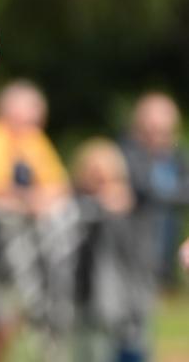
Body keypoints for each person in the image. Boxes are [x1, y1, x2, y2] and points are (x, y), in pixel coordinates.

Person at [0, 79, 76, 362]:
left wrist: (34, 198)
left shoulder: (33, 141)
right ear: (8, 111)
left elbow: (59, 185)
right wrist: (32, 199)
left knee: (9, 321)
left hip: (21, 255)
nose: (35, 125)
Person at [69, 137, 149, 362]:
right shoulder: (75, 204)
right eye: (94, 177)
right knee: (91, 351)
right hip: (85, 295)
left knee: (131, 349)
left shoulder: (130, 205)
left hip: (126, 295)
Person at [119, 92, 189, 290]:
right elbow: (142, 188)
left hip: (169, 223)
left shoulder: (177, 154)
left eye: (164, 131)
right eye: (153, 130)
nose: (158, 136)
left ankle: (167, 277)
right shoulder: (127, 151)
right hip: (135, 226)